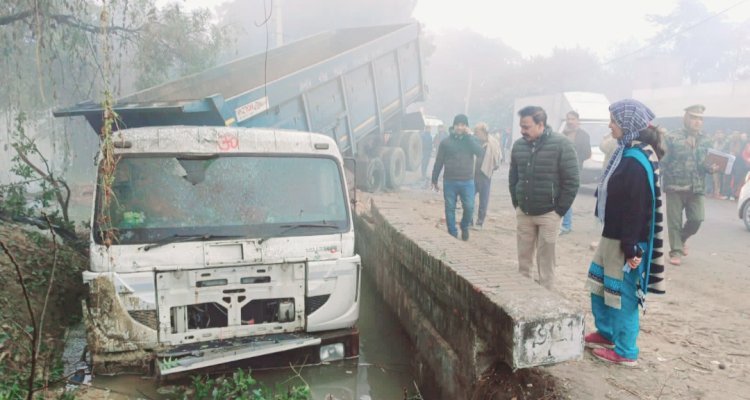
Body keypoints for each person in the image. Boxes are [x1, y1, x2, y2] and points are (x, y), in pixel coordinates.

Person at [584, 98, 666, 366]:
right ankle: (607, 333)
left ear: (628, 124)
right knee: (600, 287)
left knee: (624, 297)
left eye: (614, 121)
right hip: (613, 235)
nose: (610, 126)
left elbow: (637, 208)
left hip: (626, 240)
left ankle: (625, 351)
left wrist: (631, 247)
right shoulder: (627, 151)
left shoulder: (635, 160)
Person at [509, 106, 579, 289]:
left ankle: (545, 297)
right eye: (521, 127)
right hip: (524, 212)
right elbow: (513, 178)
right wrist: (517, 203)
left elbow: (571, 181)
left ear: (541, 125)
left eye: (526, 126)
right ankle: (524, 297)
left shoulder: (562, 144)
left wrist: (559, 211)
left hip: (549, 214)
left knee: (546, 262)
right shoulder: (518, 146)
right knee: (523, 260)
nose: (522, 131)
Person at [661, 104, 719, 266]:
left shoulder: (706, 139)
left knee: (697, 218)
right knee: (674, 222)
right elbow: (662, 160)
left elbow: (706, 163)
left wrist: (712, 168)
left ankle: (682, 238)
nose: (697, 122)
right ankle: (676, 251)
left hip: (696, 186)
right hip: (674, 186)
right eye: (694, 118)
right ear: (686, 118)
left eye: (700, 119)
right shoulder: (672, 137)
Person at [432, 114, 483, 240]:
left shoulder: (471, 141)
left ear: (466, 126)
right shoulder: (446, 142)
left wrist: (469, 136)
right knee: (450, 207)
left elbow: (480, 152)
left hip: (467, 181)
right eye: (458, 125)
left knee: (469, 207)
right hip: (450, 181)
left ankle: (464, 226)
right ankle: (452, 233)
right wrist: (434, 179)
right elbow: (439, 161)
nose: (460, 127)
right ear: (453, 126)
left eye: (463, 125)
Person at [561, 111, 592, 234]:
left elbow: (588, 153)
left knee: (568, 196)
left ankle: (566, 225)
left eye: (572, 119)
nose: (570, 121)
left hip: (574, 170)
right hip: (560, 170)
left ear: (578, 120)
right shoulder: (563, 134)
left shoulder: (584, 135)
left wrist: (575, 159)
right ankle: (561, 224)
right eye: (568, 119)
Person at [472, 122, 501, 229]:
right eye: (475, 131)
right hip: (473, 174)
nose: (476, 133)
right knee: (468, 198)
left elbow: (497, 158)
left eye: (477, 131)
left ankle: (480, 222)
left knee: (483, 200)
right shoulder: (473, 141)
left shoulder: (492, 143)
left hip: (485, 176)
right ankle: (469, 220)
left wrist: (493, 166)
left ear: (483, 131)